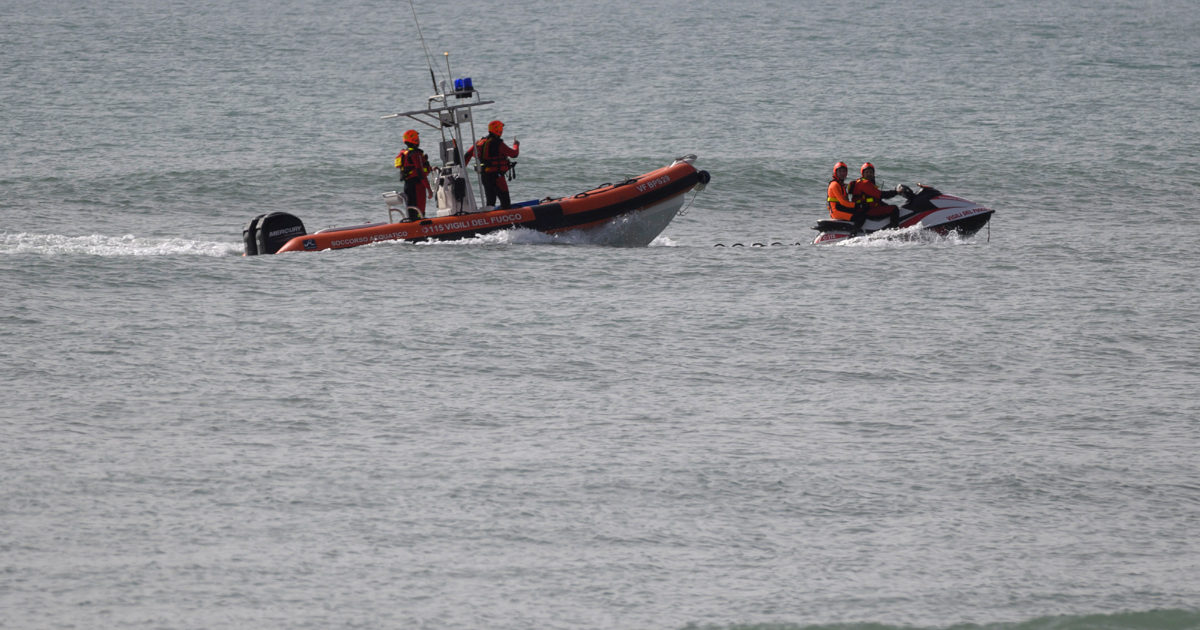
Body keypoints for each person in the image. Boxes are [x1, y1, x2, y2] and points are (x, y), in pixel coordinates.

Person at [464, 120, 519, 209]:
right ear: (497, 130)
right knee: (505, 201)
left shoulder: (480, 142)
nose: (502, 130)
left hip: (485, 176)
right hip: (497, 177)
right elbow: (514, 154)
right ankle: (507, 220)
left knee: (490, 202)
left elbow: (467, 155)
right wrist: (516, 145)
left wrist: (462, 169)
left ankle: (490, 219)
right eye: (500, 128)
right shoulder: (498, 143)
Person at [848, 162, 901, 228]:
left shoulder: (861, 182)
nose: (869, 174)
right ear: (863, 173)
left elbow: (875, 196)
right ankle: (894, 230)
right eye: (867, 172)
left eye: (871, 172)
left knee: (886, 206)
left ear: (873, 174)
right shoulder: (865, 183)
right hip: (866, 210)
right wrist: (896, 192)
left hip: (863, 209)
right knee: (894, 209)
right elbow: (881, 195)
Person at [394, 129, 433, 219]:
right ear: (414, 140)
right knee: (419, 207)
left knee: (411, 208)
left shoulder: (405, 153)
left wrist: (430, 169)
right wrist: (429, 189)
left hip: (408, 185)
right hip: (417, 185)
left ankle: (412, 222)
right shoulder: (416, 154)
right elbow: (420, 173)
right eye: (417, 138)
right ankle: (420, 222)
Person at [827, 162, 865, 232]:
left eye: (844, 171)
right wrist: (856, 205)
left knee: (861, 211)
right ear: (835, 173)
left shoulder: (841, 185)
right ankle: (853, 234)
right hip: (837, 212)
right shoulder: (834, 185)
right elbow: (843, 202)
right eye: (840, 171)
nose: (842, 173)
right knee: (860, 217)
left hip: (840, 208)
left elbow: (846, 201)